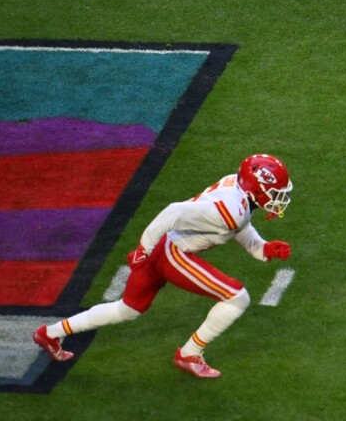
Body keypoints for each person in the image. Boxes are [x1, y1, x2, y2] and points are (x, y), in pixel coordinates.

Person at [32, 154, 294, 379]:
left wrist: (261, 247)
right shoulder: (233, 210)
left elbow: (238, 225)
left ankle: (51, 333)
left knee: (128, 309)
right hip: (173, 252)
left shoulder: (235, 190)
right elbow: (174, 212)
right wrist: (143, 249)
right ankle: (190, 354)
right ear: (256, 188)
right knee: (237, 298)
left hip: (164, 247)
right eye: (275, 192)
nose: (279, 198)